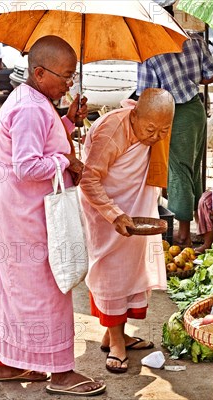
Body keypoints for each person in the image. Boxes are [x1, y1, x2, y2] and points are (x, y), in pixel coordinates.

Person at [0, 35, 106, 396]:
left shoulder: (35, 100)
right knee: (47, 290)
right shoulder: (33, 107)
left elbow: (42, 142)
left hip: (21, 212)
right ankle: (61, 372)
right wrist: (67, 160)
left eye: (73, 76)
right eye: (65, 76)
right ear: (39, 72)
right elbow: (27, 165)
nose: (70, 83)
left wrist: (66, 120)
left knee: (20, 292)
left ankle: (8, 364)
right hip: (28, 217)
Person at [79, 89, 174, 374]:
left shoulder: (150, 127)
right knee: (112, 274)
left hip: (135, 211)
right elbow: (88, 179)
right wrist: (114, 214)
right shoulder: (113, 131)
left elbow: (153, 150)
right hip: (105, 210)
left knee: (133, 270)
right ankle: (117, 344)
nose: (157, 137)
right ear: (134, 115)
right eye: (151, 129)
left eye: (164, 130)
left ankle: (114, 335)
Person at [136, 7, 213, 248]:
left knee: (178, 171)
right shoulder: (194, 38)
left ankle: (182, 233)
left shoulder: (150, 50)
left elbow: (147, 93)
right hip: (195, 109)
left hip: (173, 112)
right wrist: (187, 80)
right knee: (192, 168)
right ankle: (200, 227)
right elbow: (211, 75)